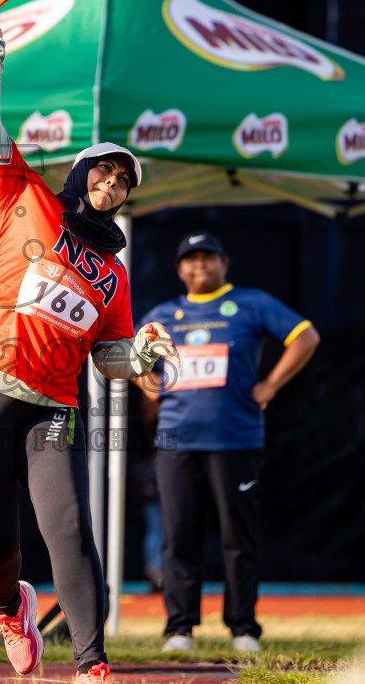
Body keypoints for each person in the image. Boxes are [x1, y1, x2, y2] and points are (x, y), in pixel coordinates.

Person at [0, 7, 179, 684]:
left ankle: (92, 668)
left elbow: (108, 358)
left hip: (51, 405)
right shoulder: (22, 196)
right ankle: (10, 608)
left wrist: (142, 356)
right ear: (80, 174)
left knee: (69, 527)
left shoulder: (114, 274)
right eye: (103, 172)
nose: (113, 183)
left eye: (123, 180)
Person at [135, 231, 320, 653]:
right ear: (179, 268)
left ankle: (243, 628)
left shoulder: (252, 303)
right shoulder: (166, 313)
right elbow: (133, 357)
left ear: (224, 263)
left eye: (208, 258)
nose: (199, 265)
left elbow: (305, 336)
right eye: (191, 259)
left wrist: (271, 384)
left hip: (235, 440)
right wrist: (148, 384)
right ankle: (179, 629)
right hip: (176, 441)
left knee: (238, 537)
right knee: (177, 534)